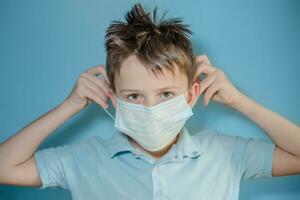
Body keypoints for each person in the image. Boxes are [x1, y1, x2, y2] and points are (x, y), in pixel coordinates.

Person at [0, 3, 299, 200]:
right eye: (133, 96)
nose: (151, 109)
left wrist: (240, 102)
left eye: (166, 94)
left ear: (192, 95)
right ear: (113, 98)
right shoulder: (84, 161)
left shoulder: (226, 154)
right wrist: (69, 106)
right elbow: (4, 167)